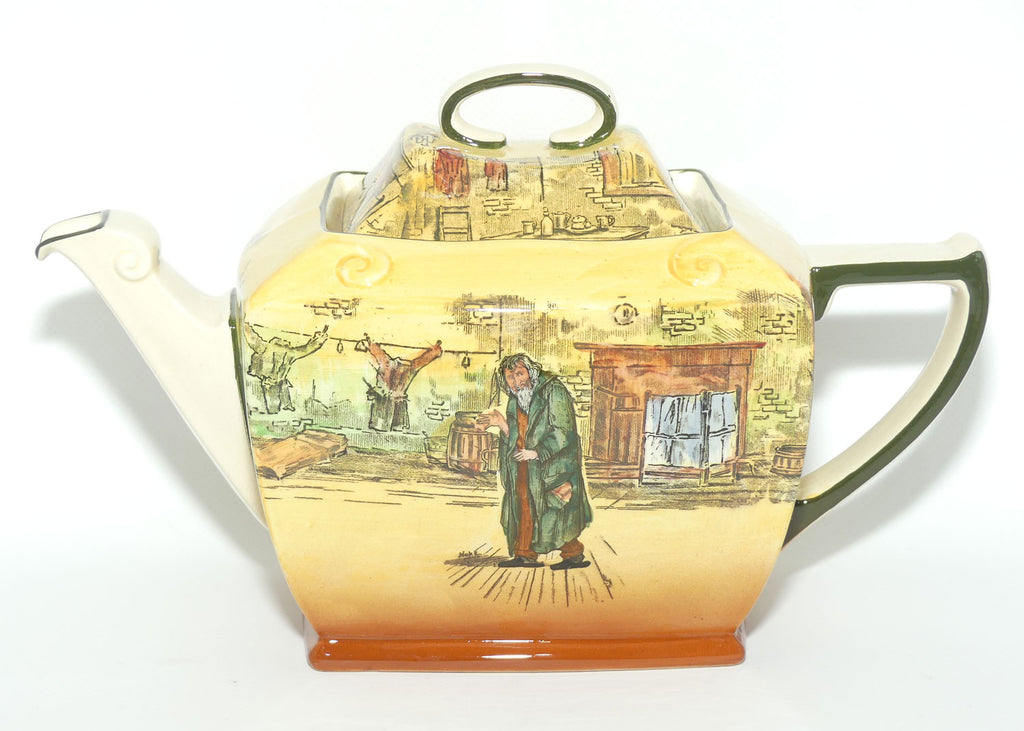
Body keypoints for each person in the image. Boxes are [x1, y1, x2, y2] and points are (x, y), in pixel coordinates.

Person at [477, 353, 593, 570]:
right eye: (510, 377)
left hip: (553, 466)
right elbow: (517, 435)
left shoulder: (553, 390)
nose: (516, 381)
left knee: (555, 511)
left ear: (531, 372)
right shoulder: (516, 398)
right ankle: (524, 554)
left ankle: (573, 554)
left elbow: (563, 431)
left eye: (519, 374)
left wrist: (538, 452)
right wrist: (501, 424)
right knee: (523, 507)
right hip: (525, 466)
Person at [243, 323, 329, 414]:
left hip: (274, 381)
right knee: (272, 406)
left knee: (276, 402)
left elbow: (252, 338)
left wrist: (245, 326)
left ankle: (282, 409)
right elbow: (307, 349)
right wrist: (319, 340)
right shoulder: (288, 352)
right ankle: (277, 410)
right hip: (268, 381)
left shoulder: (273, 349)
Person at [365, 335, 443, 432]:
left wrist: (435, 352)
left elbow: (419, 362)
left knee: (394, 427)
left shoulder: (397, 367)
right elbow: (381, 357)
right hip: (386, 403)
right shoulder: (389, 366)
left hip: (394, 404)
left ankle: (392, 425)